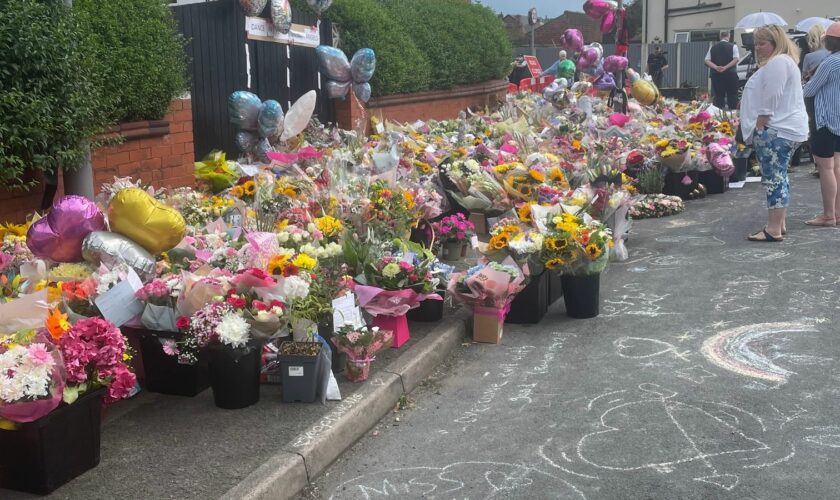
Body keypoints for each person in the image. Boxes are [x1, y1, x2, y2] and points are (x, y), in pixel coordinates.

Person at [740, 24, 808, 242]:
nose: (758, 48)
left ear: (775, 43)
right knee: (780, 176)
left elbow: (772, 96)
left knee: (773, 178)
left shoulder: (777, 63)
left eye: (763, 43)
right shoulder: (787, 61)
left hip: (776, 129)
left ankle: (773, 228)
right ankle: (780, 222)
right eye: (756, 43)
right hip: (786, 128)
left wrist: (761, 123)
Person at [802, 22, 840, 227]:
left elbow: (809, 91)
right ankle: (838, 212)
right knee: (837, 167)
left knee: (826, 168)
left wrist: (807, 82)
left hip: (825, 121)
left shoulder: (830, 63)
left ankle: (828, 215)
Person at [704, 31, 740, 110]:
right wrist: (726, 67)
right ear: (729, 36)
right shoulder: (733, 46)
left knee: (718, 96)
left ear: (720, 37)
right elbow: (736, 59)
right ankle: (733, 114)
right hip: (730, 75)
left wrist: (716, 67)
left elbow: (706, 60)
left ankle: (718, 114)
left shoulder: (713, 47)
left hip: (716, 75)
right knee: (732, 95)